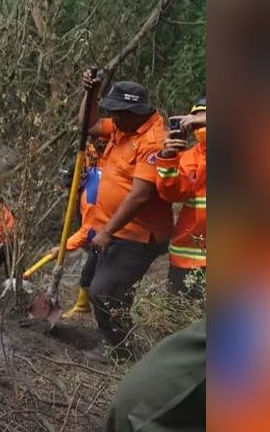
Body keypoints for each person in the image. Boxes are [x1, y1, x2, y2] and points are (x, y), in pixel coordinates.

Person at [79, 71, 172, 361]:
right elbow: (88, 125)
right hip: (114, 229)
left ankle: (119, 349)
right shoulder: (125, 127)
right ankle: (115, 336)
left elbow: (140, 195)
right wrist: (91, 93)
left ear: (135, 112)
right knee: (91, 280)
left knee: (105, 290)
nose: (113, 119)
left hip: (138, 234)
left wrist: (107, 231)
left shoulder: (154, 140)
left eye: (119, 113)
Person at [156, 98, 208, 298]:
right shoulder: (188, 157)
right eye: (195, 119)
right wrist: (168, 157)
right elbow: (172, 193)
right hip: (188, 256)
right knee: (180, 321)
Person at [62, 134, 108, 319]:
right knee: (91, 258)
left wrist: (64, 247)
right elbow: (68, 178)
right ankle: (83, 304)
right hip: (90, 217)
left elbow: (88, 231)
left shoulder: (114, 157)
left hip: (104, 222)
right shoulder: (84, 157)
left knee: (94, 265)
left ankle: (88, 306)